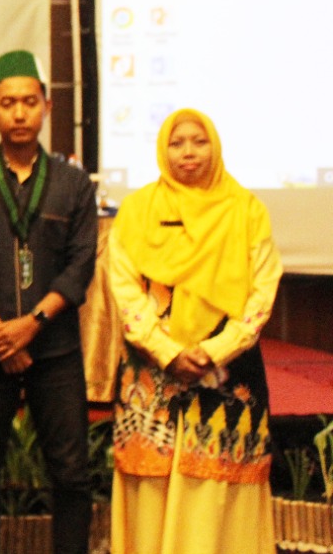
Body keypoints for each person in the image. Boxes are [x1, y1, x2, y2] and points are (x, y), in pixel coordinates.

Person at [0, 50, 96, 554]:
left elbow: (81, 265)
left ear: (47, 106)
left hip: (55, 351)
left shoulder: (73, 183)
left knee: (71, 473)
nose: (20, 113)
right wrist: (0, 334)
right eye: (8, 103)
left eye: (30, 102)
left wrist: (32, 324)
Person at [107, 109, 280, 554]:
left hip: (227, 370)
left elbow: (263, 289)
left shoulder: (246, 210)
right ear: (162, 149)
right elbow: (124, 288)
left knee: (218, 484)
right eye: (177, 142)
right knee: (151, 486)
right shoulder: (137, 210)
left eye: (199, 142)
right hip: (152, 371)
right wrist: (166, 350)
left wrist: (215, 350)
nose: (188, 152)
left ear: (215, 147)